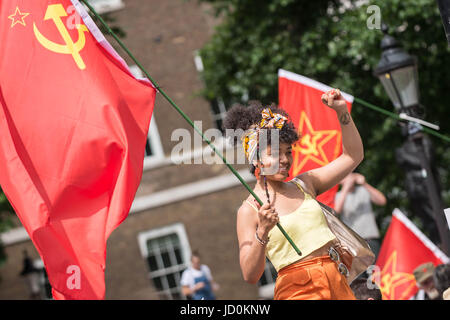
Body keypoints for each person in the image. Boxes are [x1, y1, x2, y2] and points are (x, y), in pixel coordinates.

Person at [227, 88, 364, 300]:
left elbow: (353, 156)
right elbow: (249, 274)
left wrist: (341, 112)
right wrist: (262, 231)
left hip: (337, 280)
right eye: (274, 153)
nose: (284, 159)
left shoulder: (305, 184)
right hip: (299, 291)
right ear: (255, 159)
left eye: (288, 151)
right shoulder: (249, 209)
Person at [334, 172, 386, 259]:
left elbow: (382, 201)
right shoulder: (338, 196)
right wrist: (345, 188)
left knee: (375, 270)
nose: (348, 178)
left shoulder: (363, 190)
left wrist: (364, 183)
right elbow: (336, 211)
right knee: (359, 272)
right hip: (353, 243)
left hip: (371, 240)